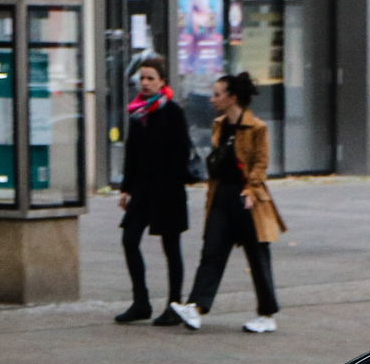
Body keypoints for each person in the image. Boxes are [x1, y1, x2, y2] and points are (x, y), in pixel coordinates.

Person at [172, 71, 285, 334]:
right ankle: (197, 307)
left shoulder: (257, 127)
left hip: (248, 199)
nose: (212, 99)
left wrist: (252, 189)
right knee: (212, 251)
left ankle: (267, 314)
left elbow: (260, 163)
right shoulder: (219, 125)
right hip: (221, 195)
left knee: (258, 256)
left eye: (217, 94)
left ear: (232, 98)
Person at [115, 57, 192, 325]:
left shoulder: (172, 111)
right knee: (129, 240)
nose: (145, 83)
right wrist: (126, 189)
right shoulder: (138, 113)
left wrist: (170, 181)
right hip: (143, 190)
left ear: (162, 82)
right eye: (142, 78)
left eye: (150, 78)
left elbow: (182, 151)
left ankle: (174, 305)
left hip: (168, 190)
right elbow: (132, 153)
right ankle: (141, 302)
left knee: (171, 247)